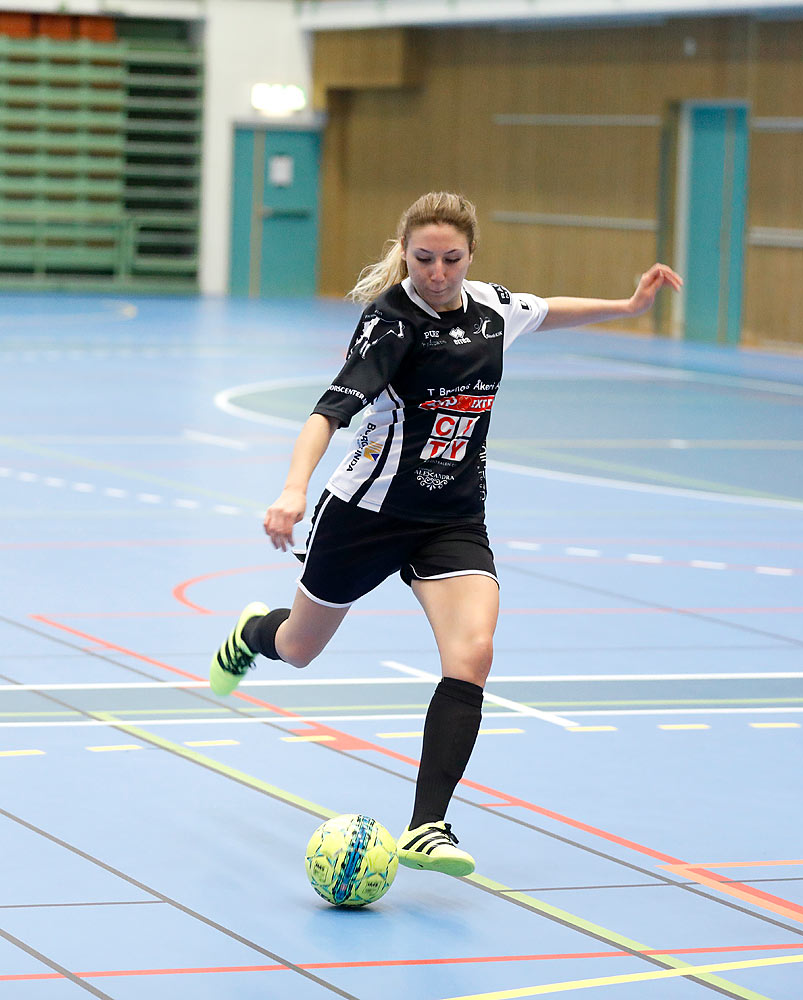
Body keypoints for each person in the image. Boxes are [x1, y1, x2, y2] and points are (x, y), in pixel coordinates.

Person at [210, 191, 681, 875]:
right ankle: (254, 633)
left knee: (474, 652)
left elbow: (546, 311)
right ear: (405, 253)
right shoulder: (390, 324)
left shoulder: (490, 308)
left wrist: (627, 307)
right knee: (299, 647)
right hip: (368, 514)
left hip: (453, 517)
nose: (436, 272)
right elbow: (327, 413)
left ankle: (427, 824)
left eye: (450, 260)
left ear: (470, 256)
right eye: (423, 258)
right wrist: (292, 489)